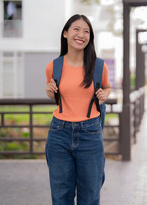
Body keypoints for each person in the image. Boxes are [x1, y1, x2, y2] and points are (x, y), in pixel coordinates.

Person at [45, 14, 111, 205]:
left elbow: (106, 87)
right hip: (59, 133)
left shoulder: (99, 66)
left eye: (86, 31)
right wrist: (49, 91)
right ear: (65, 33)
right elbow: (55, 93)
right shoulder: (53, 66)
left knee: (90, 197)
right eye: (76, 29)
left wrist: (105, 94)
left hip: (90, 134)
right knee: (60, 197)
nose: (81, 34)